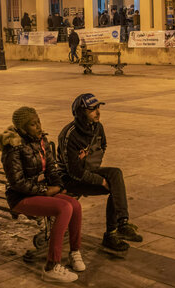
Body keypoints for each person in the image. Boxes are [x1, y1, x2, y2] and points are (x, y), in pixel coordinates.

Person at [0, 107, 84, 284]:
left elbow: (51, 168)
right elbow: (17, 183)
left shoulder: (41, 140)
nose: (38, 126)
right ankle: (51, 267)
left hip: (41, 190)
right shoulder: (13, 147)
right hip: (20, 197)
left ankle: (74, 252)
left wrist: (58, 186)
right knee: (64, 208)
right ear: (22, 128)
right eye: (32, 124)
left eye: (38, 122)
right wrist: (45, 191)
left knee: (75, 205)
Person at [57, 93, 143, 254]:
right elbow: (73, 172)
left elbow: (103, 145)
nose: (97, 112)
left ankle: (121, 224)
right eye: (92, 110)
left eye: (98, 108)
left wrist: (92, 164)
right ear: (81, 113)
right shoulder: (70, 135)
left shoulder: (98, 127)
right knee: (112, 186)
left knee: (115, 174)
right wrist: (99, 180)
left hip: (88, 172)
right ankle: (112, 233)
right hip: (69, 179)